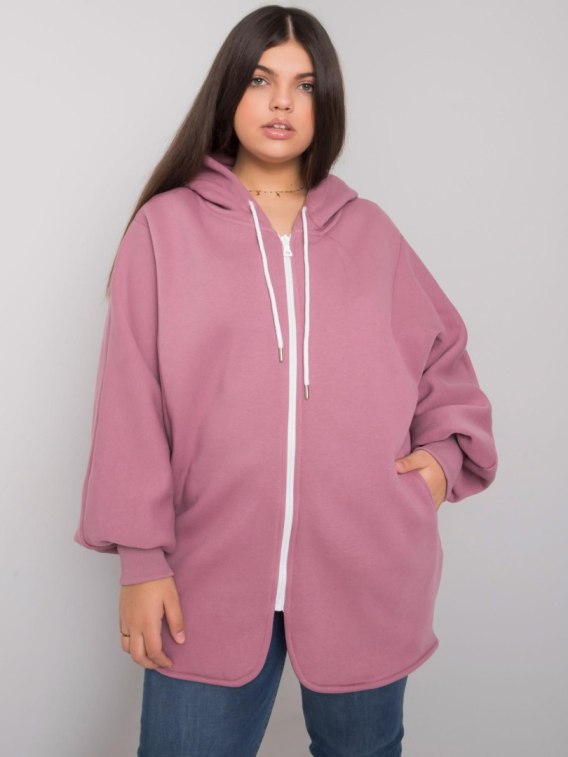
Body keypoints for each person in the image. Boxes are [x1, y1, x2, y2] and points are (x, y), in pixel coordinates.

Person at [73, 5, 498, 756]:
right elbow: (130, 401)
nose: (281, 102)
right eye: (261, 79)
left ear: (325, 102)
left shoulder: (370, 233)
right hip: (204, 578)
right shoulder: (165, 230)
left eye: (304, 85)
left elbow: (446, 361)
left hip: (367, 571)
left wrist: (438, 463)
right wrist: (141, 561)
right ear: (229, 91)